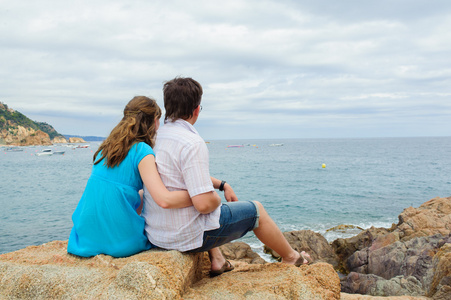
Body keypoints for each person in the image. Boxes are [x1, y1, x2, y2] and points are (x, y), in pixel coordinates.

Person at [142, 77, 311, 277]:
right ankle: (292, 257)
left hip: (157, 233)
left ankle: (218, 259)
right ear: (196, 109)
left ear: (168, 106)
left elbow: (180, 176)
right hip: (184, 237)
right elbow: (203, 204)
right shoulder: (192, 142)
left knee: (205, 209)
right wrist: (214, 197)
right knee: (256, 210)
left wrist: (221, 184)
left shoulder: (155, 137)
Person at [67, 96, 192, 258]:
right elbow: (164, 200)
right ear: (154, 121)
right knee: (155, 196)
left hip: (84, 238)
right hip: (119, 242)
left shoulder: (108, 148)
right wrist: (197, 196)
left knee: (140, 193)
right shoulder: (142, 150)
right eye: (159, 121)